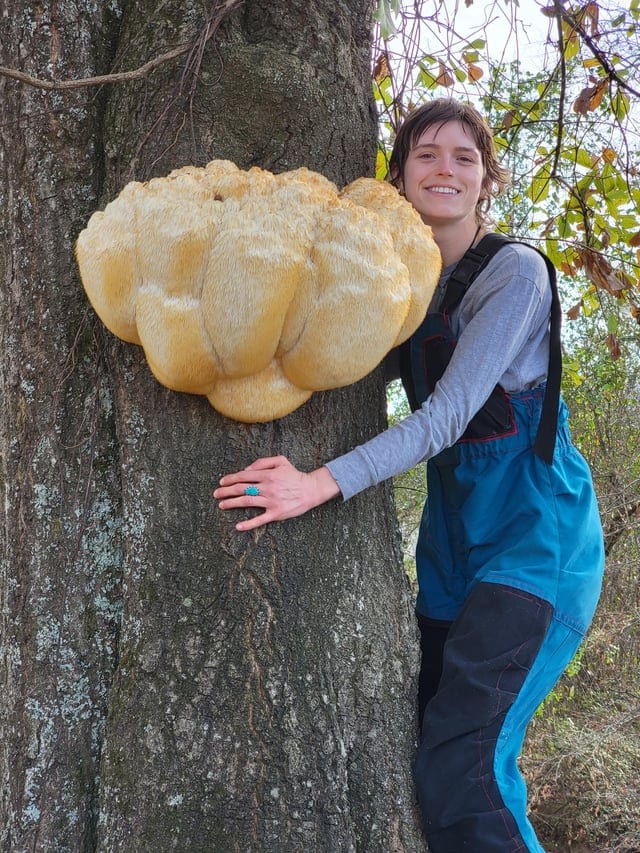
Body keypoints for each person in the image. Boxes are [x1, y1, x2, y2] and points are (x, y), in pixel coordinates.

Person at [214, 98, 605, 853]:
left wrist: (316, 482)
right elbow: (341, 365)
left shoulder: (514, 274)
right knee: (438, 753)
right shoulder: (404, 289)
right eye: (426, 154)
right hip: (453, 555)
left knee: (467, 769)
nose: (445, 169)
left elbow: (446, 418)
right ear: (399, 175)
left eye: (463, 156)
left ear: (487, 177)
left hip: (536, 550)